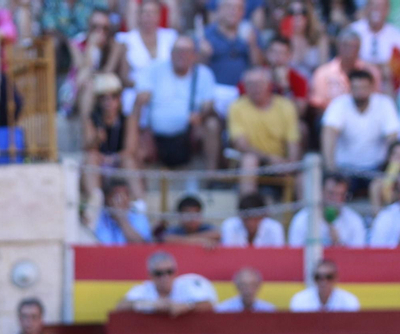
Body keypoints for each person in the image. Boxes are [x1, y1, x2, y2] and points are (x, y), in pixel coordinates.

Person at [130, 37, 219, 168]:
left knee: (212, 125)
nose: (181, 55)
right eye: (178, 51)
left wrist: (201, 116)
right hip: (155, 135)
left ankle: (212, 178)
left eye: (186, 51)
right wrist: (141, 130)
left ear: (194, 55)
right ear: (170, 53)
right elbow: (140, 100)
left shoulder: (204, 74)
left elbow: (209, 104)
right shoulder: (155, 69)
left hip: (188, 137)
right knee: (133, 135)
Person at [321, 67, 400, 189]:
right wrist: (331, 171)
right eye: (356, 88)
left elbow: (393, 139)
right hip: (345, 169)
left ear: (372, 88)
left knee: (383, 186)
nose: (360, 92)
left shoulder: (385, 104)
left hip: (377, 168)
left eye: (364, 88)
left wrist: (390, 174)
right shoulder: (339, 104)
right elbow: (329, 133)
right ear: (349, 88)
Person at [228, 67, 302, 195]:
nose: (255, 88)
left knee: (305, 178)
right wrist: (270, 159)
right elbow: (241, 145)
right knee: (249, 160)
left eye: (259, 84)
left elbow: (293, 142)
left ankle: (306, 214)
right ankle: (248, 208)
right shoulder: (236, 107)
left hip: (281, 163)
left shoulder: (286, 106)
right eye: (250, 84)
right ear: (244, 87)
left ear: (269, 85)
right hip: (256, 161)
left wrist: (289, 164)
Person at [114, 251, 218, 313]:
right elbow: (120, 306)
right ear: (150, 275)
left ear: (176, 272)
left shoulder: (186, 285)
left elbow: (208, 304)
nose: (165, 277)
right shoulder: (144, 289)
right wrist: (152, 305)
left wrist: (187, 306)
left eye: (169, 272)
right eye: (159, 273)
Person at [289, 170, 370, 245]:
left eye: (341, 195)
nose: (336, 199)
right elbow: (295, 254)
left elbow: (358, 257)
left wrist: (339, 244)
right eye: (331, 193)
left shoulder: (354, 220)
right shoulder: (302, 219)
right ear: (321, 192)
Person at [310, 29, 381, 111]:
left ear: (359, 49)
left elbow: (376, 102)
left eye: (354, 46)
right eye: (346, 45)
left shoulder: (371, 72)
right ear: (338, 46)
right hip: (332, 119)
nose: (350, 50)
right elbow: (318, 105)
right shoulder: (323, 73)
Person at [118, 0, 178, 88]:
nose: (149, 16)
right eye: (145, 12)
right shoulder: (126, 40)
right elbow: (123, 77)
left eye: (153, 13)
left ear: (159, 16)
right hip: (136, 91)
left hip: (167, 90)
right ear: (138, 16)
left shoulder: (171, 37)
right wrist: (144, 86)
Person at [351, 0, 400, 87]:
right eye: (373, 6)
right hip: (357, 83)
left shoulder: (397, 36)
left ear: (388, 10)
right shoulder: (354, 30)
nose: (376, 10)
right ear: (366, 8)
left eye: (380, 7)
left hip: (386, 86)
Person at [93, 178, 153, 244]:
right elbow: (99, 243)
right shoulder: (99, 216)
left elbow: (142, 245)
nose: (120, 201)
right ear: (107, 198)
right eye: (116, 197)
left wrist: (121, 219)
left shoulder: (138, 215)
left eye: (124, 196)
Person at [289, 257, 361, 309]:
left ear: (336, 278)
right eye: (318, 277)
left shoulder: (348, 300)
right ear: (314, 279)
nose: (323, 282)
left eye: (329, 277)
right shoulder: (300, 299)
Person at [219, 191, 288, 244]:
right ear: (240, 216)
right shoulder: (230, 226)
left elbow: (278, 256)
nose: (251, 223)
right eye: (247, 218)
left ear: (263, 216)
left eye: (255, 218)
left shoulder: (274, 228)